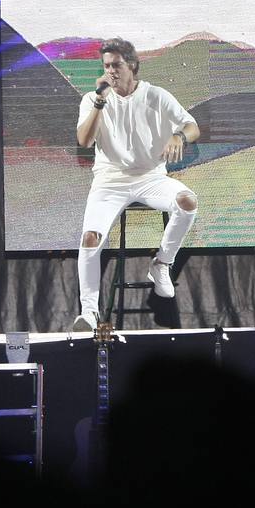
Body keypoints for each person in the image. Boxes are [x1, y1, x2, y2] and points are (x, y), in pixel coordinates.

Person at [73, 38, 200, 331]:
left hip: (151, 177)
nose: (111, 71)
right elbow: (84, 140)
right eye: (106, 66)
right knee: (90, 237)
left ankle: (162, 264)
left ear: (132, 65)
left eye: (116, 65)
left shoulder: (156, 95)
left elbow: (192, 125)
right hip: (110, 181)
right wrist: (100, 100)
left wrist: (179, 136)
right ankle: (89, 313)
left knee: (188, 202)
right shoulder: (93, 99)